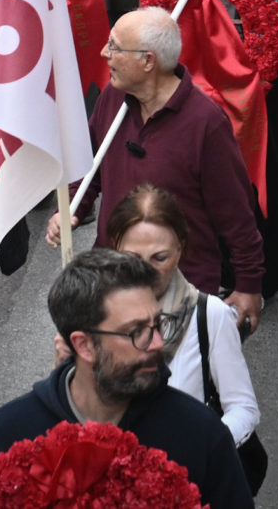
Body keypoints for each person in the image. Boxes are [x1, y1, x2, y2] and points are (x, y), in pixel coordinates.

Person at [0, 250, 254, 509]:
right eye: (136, 331)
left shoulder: (200, 434)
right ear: (84, 345)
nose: (157, 343)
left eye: (158, 324)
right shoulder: (11, 434)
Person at [63, 9, 266, 330]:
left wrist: (248, 285)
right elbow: (93, 166)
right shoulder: (112, 100)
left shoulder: (206, 124)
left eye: (115, 46)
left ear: (148, 61)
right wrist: (74, 208)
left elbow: (236, 213)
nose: (105, 54)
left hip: (181, 292)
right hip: (111, 280)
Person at [110, 183, 261, 451]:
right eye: (132, 258)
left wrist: (199, 450)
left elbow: (243, 409)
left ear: (180, 250)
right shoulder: (94, 320)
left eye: (159, 258)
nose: (145, 271)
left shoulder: (210, 315)